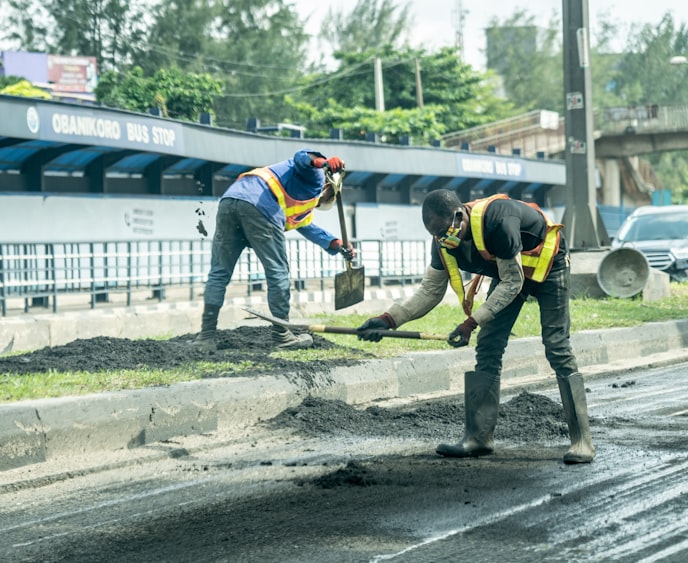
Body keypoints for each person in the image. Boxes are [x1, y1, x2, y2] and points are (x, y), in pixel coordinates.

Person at [355, 189, 595, 464]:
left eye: (445, 231)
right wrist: (388, 320)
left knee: (556, 345)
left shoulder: (498, 222)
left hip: (549, 267)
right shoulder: (442, 242)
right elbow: (430, 292)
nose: (444, 239)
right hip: (509, 272)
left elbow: (513, 283)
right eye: (437, 235)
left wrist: (471, 322)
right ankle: (478, 438)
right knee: (489, 345)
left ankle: (582, 441)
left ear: (459, 215)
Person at [192, 149, 355, 351]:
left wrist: (337, 244)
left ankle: (205, 337)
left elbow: (307, 227)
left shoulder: (297, 198)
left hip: (229, 201)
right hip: (260, 206)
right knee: (278, 272)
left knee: (219, 272)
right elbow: (302, 157)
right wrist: (323, 164)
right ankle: (282, 336)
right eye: (323, 199)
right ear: (328, 188)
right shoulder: (316, 177)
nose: (318, 203)